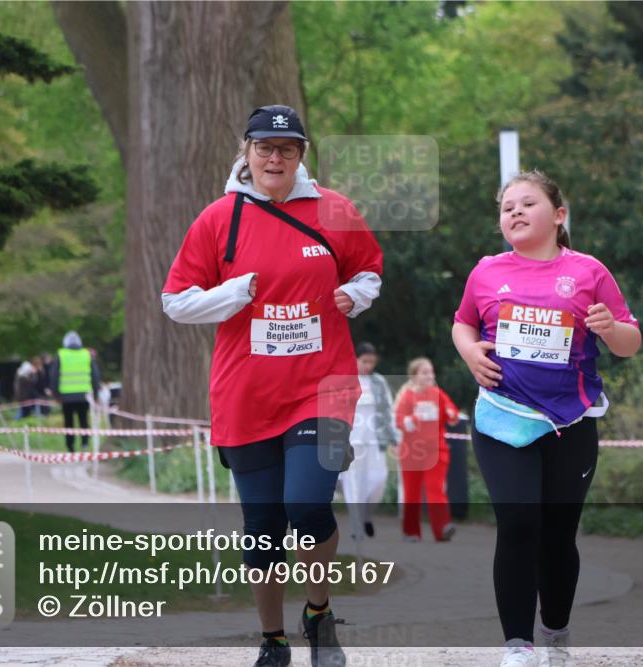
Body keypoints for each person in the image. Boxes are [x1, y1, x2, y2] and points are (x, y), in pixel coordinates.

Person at [162, 104, 383, 667]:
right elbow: (175, 301)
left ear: (301, 155)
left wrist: (356, 296)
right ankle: (273, 639)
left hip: (323, 386)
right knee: (262, 528)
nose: (274, 157)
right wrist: (228, 296)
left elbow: (368, 270)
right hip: (246, 395)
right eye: (264, 147)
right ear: (247, 152)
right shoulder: (219, 218)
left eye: (286, 149)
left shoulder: (334, 210)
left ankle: (318, 611)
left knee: (306, 505)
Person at [452, 170, 641, 667]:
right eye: (506, 207)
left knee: (557, 536)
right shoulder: (487, 271)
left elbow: (630, 342)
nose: (513, 212)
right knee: (517, 522)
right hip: (503, 417)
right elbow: (462, 322)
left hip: (569, 422)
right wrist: (471, 352)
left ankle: (555, 631)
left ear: (558, 215)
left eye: (526, 203)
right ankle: (517, 644)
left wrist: (610, 327)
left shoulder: (588, 272)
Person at [393, 357, 459, 543]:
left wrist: (452, 415)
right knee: (412, 493)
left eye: (431, 372)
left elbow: (452, 415)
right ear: (414, 376)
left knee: (435, 489)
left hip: (436, 450)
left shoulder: (438, 394)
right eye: (425, 372)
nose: (430, 376)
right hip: (412, 452)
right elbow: (398, 421)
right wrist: (412, 420)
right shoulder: (407, 396)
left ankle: (442, 528)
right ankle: (411, 531)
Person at [340, 342, 396, 539]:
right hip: (352, 442)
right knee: (353, 483)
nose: (368, 366)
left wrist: (393, 438)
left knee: (377, 480)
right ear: (356, 359)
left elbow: (388, 410)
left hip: (374, 442)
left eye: (372, 362)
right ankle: (356, 526)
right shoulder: (345, 380)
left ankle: (366, 515)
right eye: (365, 361)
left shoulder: (379, 383)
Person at [49, 331, 100, 452]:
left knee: (69, 422)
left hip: (66, 397)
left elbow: (54, 376)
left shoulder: (61, 354)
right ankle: (85, 443)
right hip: (84, 395)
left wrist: (55, 394)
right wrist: (96, 393)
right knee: (83, 420)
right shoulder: (86, 355)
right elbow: (95, 375)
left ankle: (70, 447)